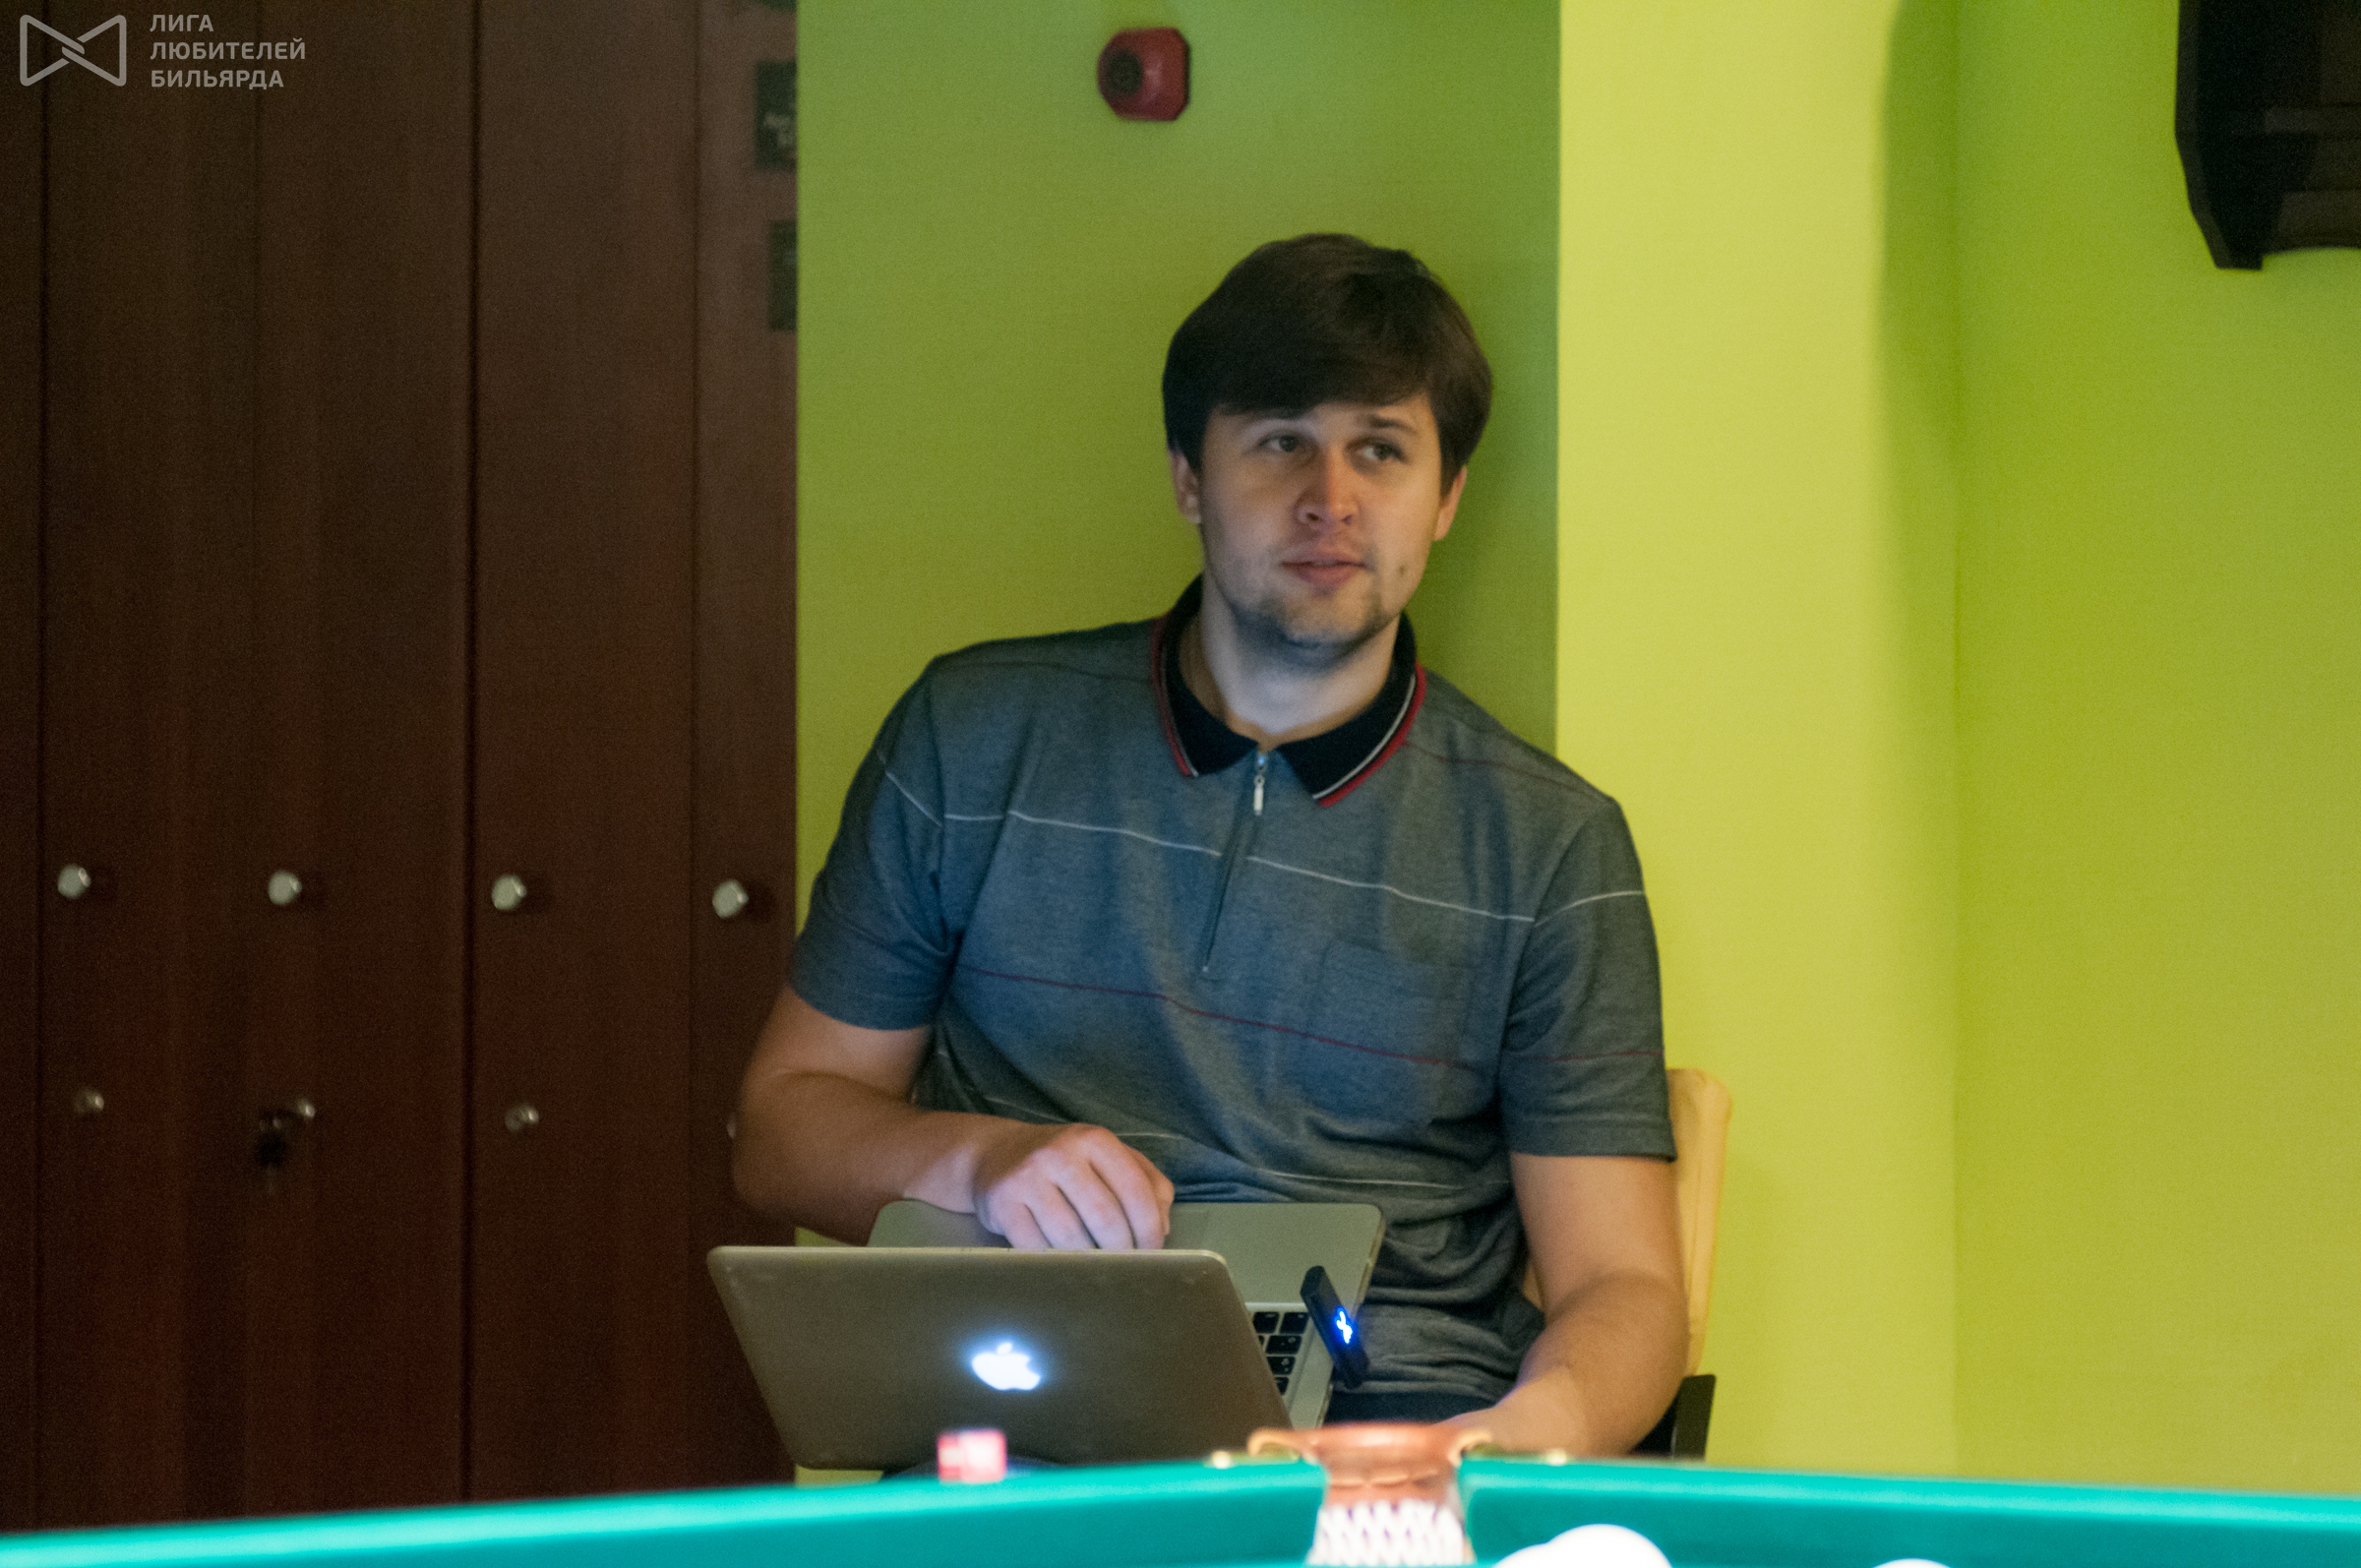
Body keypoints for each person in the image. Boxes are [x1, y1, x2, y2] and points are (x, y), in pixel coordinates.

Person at [733, 234, 1687, 1454]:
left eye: (1381, 449)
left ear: (1447, 497)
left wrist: (1510, 1440)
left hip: (1389, 1437)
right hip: (1026, 1417)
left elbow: (1623, 1284)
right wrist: (981, 1161)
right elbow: (780, 1130)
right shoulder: (971, 737)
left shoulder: (1551, 846)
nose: (1330, 498)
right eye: (1280, 441)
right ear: (1190, 477)